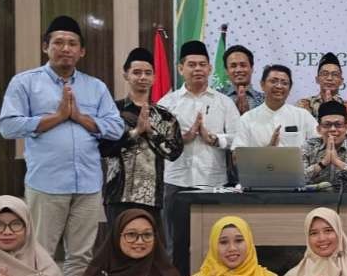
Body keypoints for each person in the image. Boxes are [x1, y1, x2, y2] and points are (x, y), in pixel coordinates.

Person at [0, 15, 124, 276]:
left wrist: (79, 117)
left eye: (72, 43)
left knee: (80, 257)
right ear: (46, 47)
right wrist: (56, 117)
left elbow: (116, 128)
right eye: (58, 42)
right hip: (47, 185)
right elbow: (7, 126)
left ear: (82, 51)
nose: (65, 48)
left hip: (88, 186)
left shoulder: (96, 86)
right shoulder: (25, 83)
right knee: (38, 254)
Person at [157, 41, 241, 245]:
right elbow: (157, 143)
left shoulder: (224, 102)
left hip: (212, 183)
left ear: (210, 68)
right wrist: (181, 139)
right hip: (176, 182)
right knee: (174, 243)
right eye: (192, 65)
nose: (198, 69)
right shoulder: (166, 103)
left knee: (212, 242)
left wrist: (214, 139)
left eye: (202, 65)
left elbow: (238, 138)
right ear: (180, 68)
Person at [99, 48, 183, 223]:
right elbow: (104, 148)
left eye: (148, 73)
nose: (142, 77)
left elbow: (174, 152)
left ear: (154, 77)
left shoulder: (164, 115)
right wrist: (135, 132)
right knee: (117, 246)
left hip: (152, 197)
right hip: (118, 194)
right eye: (136, 72)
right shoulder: (112, 110)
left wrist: (151, 132)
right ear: (126, 75)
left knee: (148, 247)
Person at [232, 63, 317, 149]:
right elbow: (236, 155)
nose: (279, 86)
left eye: (284, 83)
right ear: (262, 85)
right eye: (273, 81)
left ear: (290, 88)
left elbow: (319, 142)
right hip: (260, 163)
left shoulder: (302, 115)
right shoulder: (247, 119)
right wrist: (267, 150)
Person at [296, 52, 347, 145]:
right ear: (317, 79)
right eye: (325, 74)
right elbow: (298, 128)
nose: (329, 78)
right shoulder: (304, 104)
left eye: (334, 74)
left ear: (341, 81)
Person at [300, 100, 347, 190]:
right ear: (319, 129)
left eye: (338, 125)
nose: (333, 129)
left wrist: (338, 163)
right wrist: (322, 163)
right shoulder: (308, 147)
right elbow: (294, 180)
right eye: (327, 125)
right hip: (311, 202)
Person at [219, 44, 264, 114]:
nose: (238, 70)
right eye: (233, 66)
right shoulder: (217, 97)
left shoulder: (265, 100)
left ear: (252, 68)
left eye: (243, 65)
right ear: (226, 71)